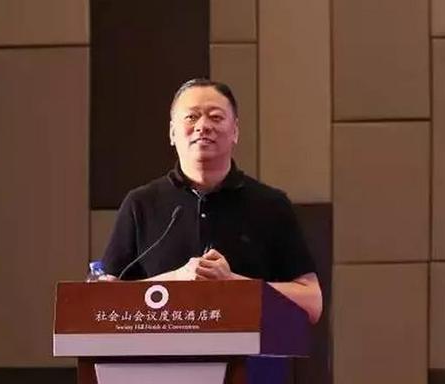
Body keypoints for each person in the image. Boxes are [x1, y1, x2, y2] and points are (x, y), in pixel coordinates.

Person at [101, 78, 322, 323]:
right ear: (172, 132)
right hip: (161, 348)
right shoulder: (141, 204)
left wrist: (233, 283)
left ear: (235, 131)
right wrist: (174, 281)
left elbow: (311, 302)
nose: (203, 126)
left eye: (216, 117)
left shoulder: (271, 205)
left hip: (249, 348)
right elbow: (102, 300)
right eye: (191, 117)